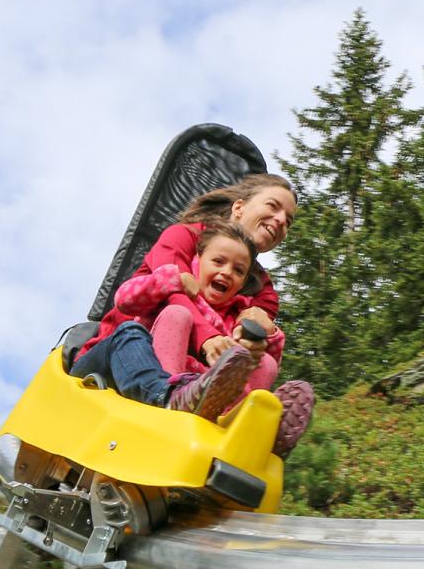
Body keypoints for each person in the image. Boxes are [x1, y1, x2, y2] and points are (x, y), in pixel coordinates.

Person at [73, 174, 314, 454]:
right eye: (273, 206)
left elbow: (253, 342)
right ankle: (167, 397)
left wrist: (257, 339)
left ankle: (242, 425)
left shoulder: (262, 289)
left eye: (288, 220)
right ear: (239, 208)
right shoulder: (184, 236)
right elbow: (172, 291)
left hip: (196, 380)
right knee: (161, 320)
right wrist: (208, 339)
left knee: (265, 363)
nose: (282, 221)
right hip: (119, 358)